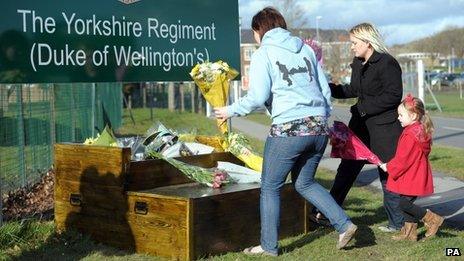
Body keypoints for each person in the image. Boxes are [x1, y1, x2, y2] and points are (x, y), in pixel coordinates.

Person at [213, 7, 357, 256]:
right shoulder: (307, 50)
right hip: (318, 128)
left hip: (289, 130)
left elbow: (257, 96)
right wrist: (321, 118)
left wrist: (230, 110)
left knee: (270, 187)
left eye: (255, 32)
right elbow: (324, 90)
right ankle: (344, 225)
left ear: (260, 30)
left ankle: (269, 246)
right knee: (305, 183)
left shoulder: (263, 53)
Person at [313, 23, 404, 232]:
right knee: (345, 172)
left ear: (367, 42)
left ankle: (397, 224)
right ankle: (326, 216)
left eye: (354, 43)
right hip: (360, 130)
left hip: (384, 130)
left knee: (387, 176)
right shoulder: (357, 62)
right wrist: (327, 87)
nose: (352, 47)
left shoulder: (388, 63)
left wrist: (363, 109)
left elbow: (393, 95)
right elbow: (352, 89)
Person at [379, 94, 444, 241]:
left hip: (412, 175)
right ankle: (410, 232)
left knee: (403, 203)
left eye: (401, 115)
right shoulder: (418, 130)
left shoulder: (410, 135)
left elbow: (402, 159)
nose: (398, 118)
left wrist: (388, 167)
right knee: (404, 202)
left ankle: (432, 219)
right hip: (416, 173)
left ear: (413, 115)